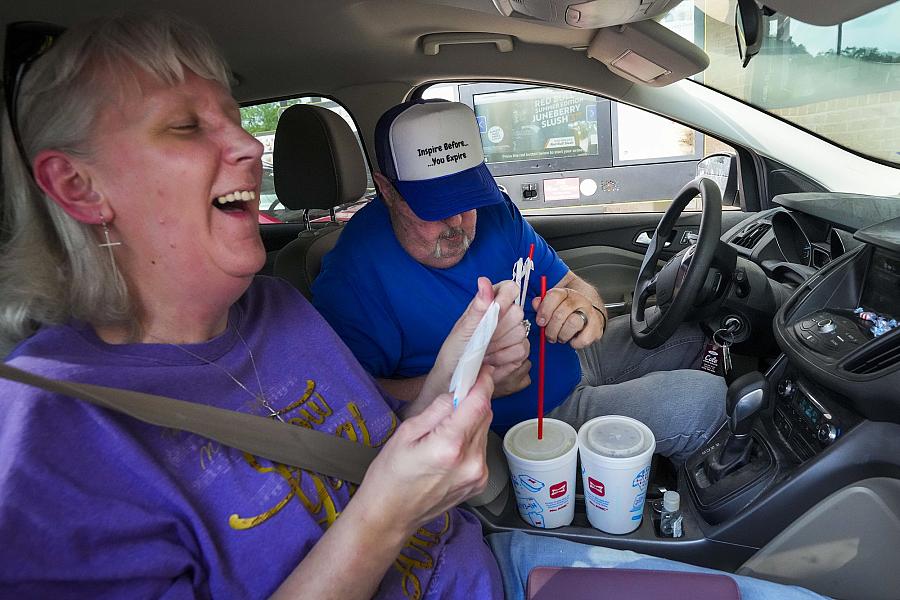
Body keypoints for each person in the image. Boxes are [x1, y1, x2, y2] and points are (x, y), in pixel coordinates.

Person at [0, 13, 826, 600]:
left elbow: (382, 433)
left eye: (232, 116)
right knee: (702, 401)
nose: (251, 143)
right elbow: (388, 473)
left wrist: (493, 354)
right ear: (79, 187)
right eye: (186, 126)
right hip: (522, 460)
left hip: (496, 552)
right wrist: (402, 497)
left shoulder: (277, 314)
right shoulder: (52, 438)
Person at [312, 99, 727, 464]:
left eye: (467, 201)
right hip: (536, 422)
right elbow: (358, 406)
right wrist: (480, 384)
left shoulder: (495, 213)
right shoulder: (353, 278)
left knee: (692, 333)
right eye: (436, 208)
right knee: (704, 401)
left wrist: (587, 310)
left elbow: (574, 284)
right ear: (387, 191)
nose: (458, 224)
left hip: (569, 358)